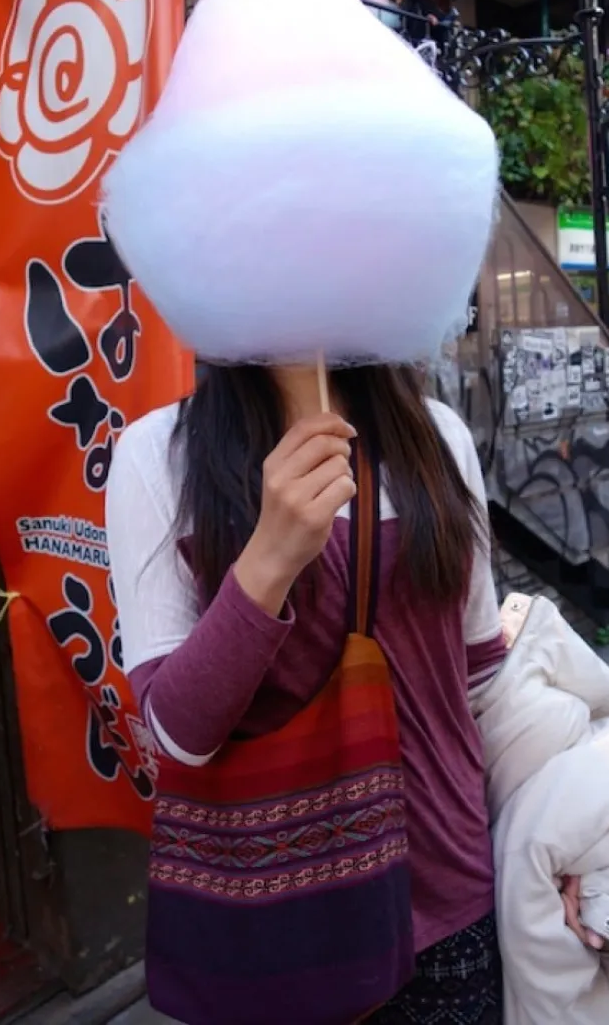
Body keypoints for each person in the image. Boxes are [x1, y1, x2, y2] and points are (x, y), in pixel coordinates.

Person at [106, 361, 508, 1023]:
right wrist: (271, 556)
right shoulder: (158, 455)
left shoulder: (439, 436)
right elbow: (175, 734)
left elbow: (483, 678)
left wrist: (552, 833)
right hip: (277, 924)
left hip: (451, 903)